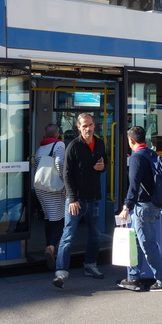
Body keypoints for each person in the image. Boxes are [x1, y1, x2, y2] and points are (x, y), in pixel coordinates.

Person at [52, 112, 108, 289]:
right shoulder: (73, 146)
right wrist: (73, 199)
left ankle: (90, 265)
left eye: (90, 125)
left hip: (94, 198)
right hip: (76, 200)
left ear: (94, 125)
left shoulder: (99, 143)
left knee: (95, 236)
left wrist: (103, 166)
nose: (88, 128)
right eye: (84, 125)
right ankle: (61, 272)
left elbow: (104, 163)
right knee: (68, 237)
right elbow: (66, 174)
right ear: (78, 127)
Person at [116, 126, 162, 293]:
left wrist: (126, 206)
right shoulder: (151, 153)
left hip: (143, 207)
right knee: (137, 243)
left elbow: (133, 185)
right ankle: (133, 278)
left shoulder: (136, 157)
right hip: (152, 204)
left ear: (131, 141)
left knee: (148, 245)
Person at [33, 123, 65, 270]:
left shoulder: (40, 148)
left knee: (49, 217)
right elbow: (59, 163)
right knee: (60, 217)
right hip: (54, 187)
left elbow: (37, 166)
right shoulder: (59, 145)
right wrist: (64, 180)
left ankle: (48, 245)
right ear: (57, 134)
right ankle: (51, 247)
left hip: (41, 187)